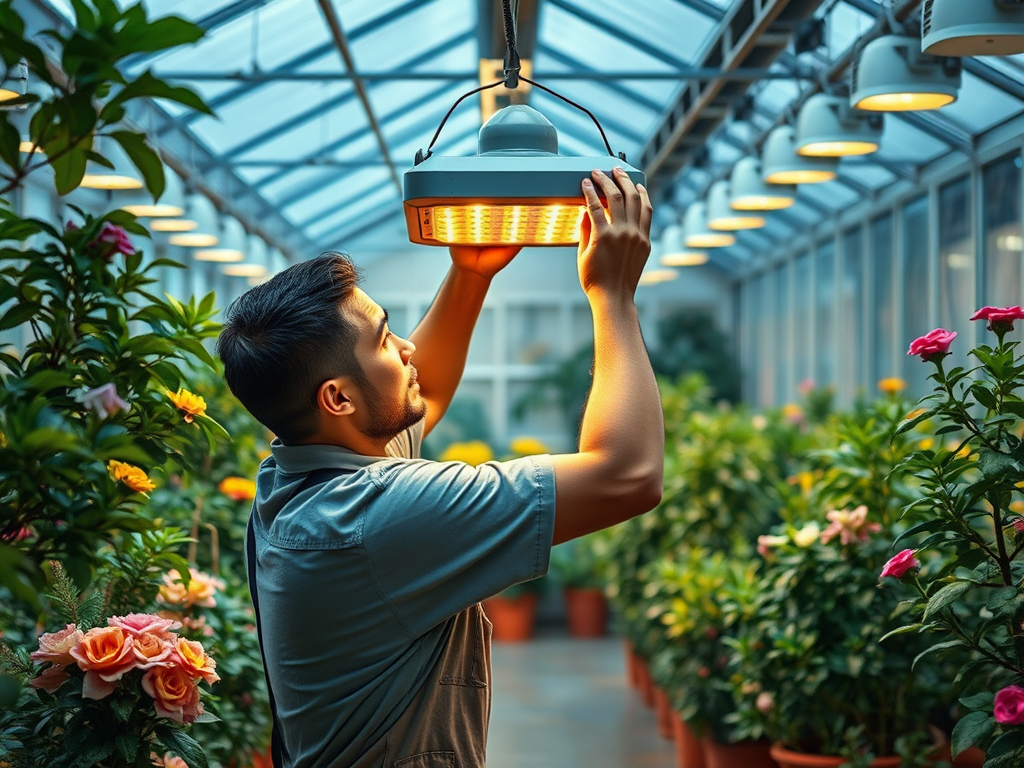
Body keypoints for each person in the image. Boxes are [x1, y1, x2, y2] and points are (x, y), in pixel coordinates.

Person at [216, 167, 664, 768]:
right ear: (339, 399)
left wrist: (470, 272)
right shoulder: (370, 518)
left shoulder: (302, 468)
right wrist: (612, 297)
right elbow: (628, 475)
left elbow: (414, 399)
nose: (405, 349)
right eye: (383, 339)